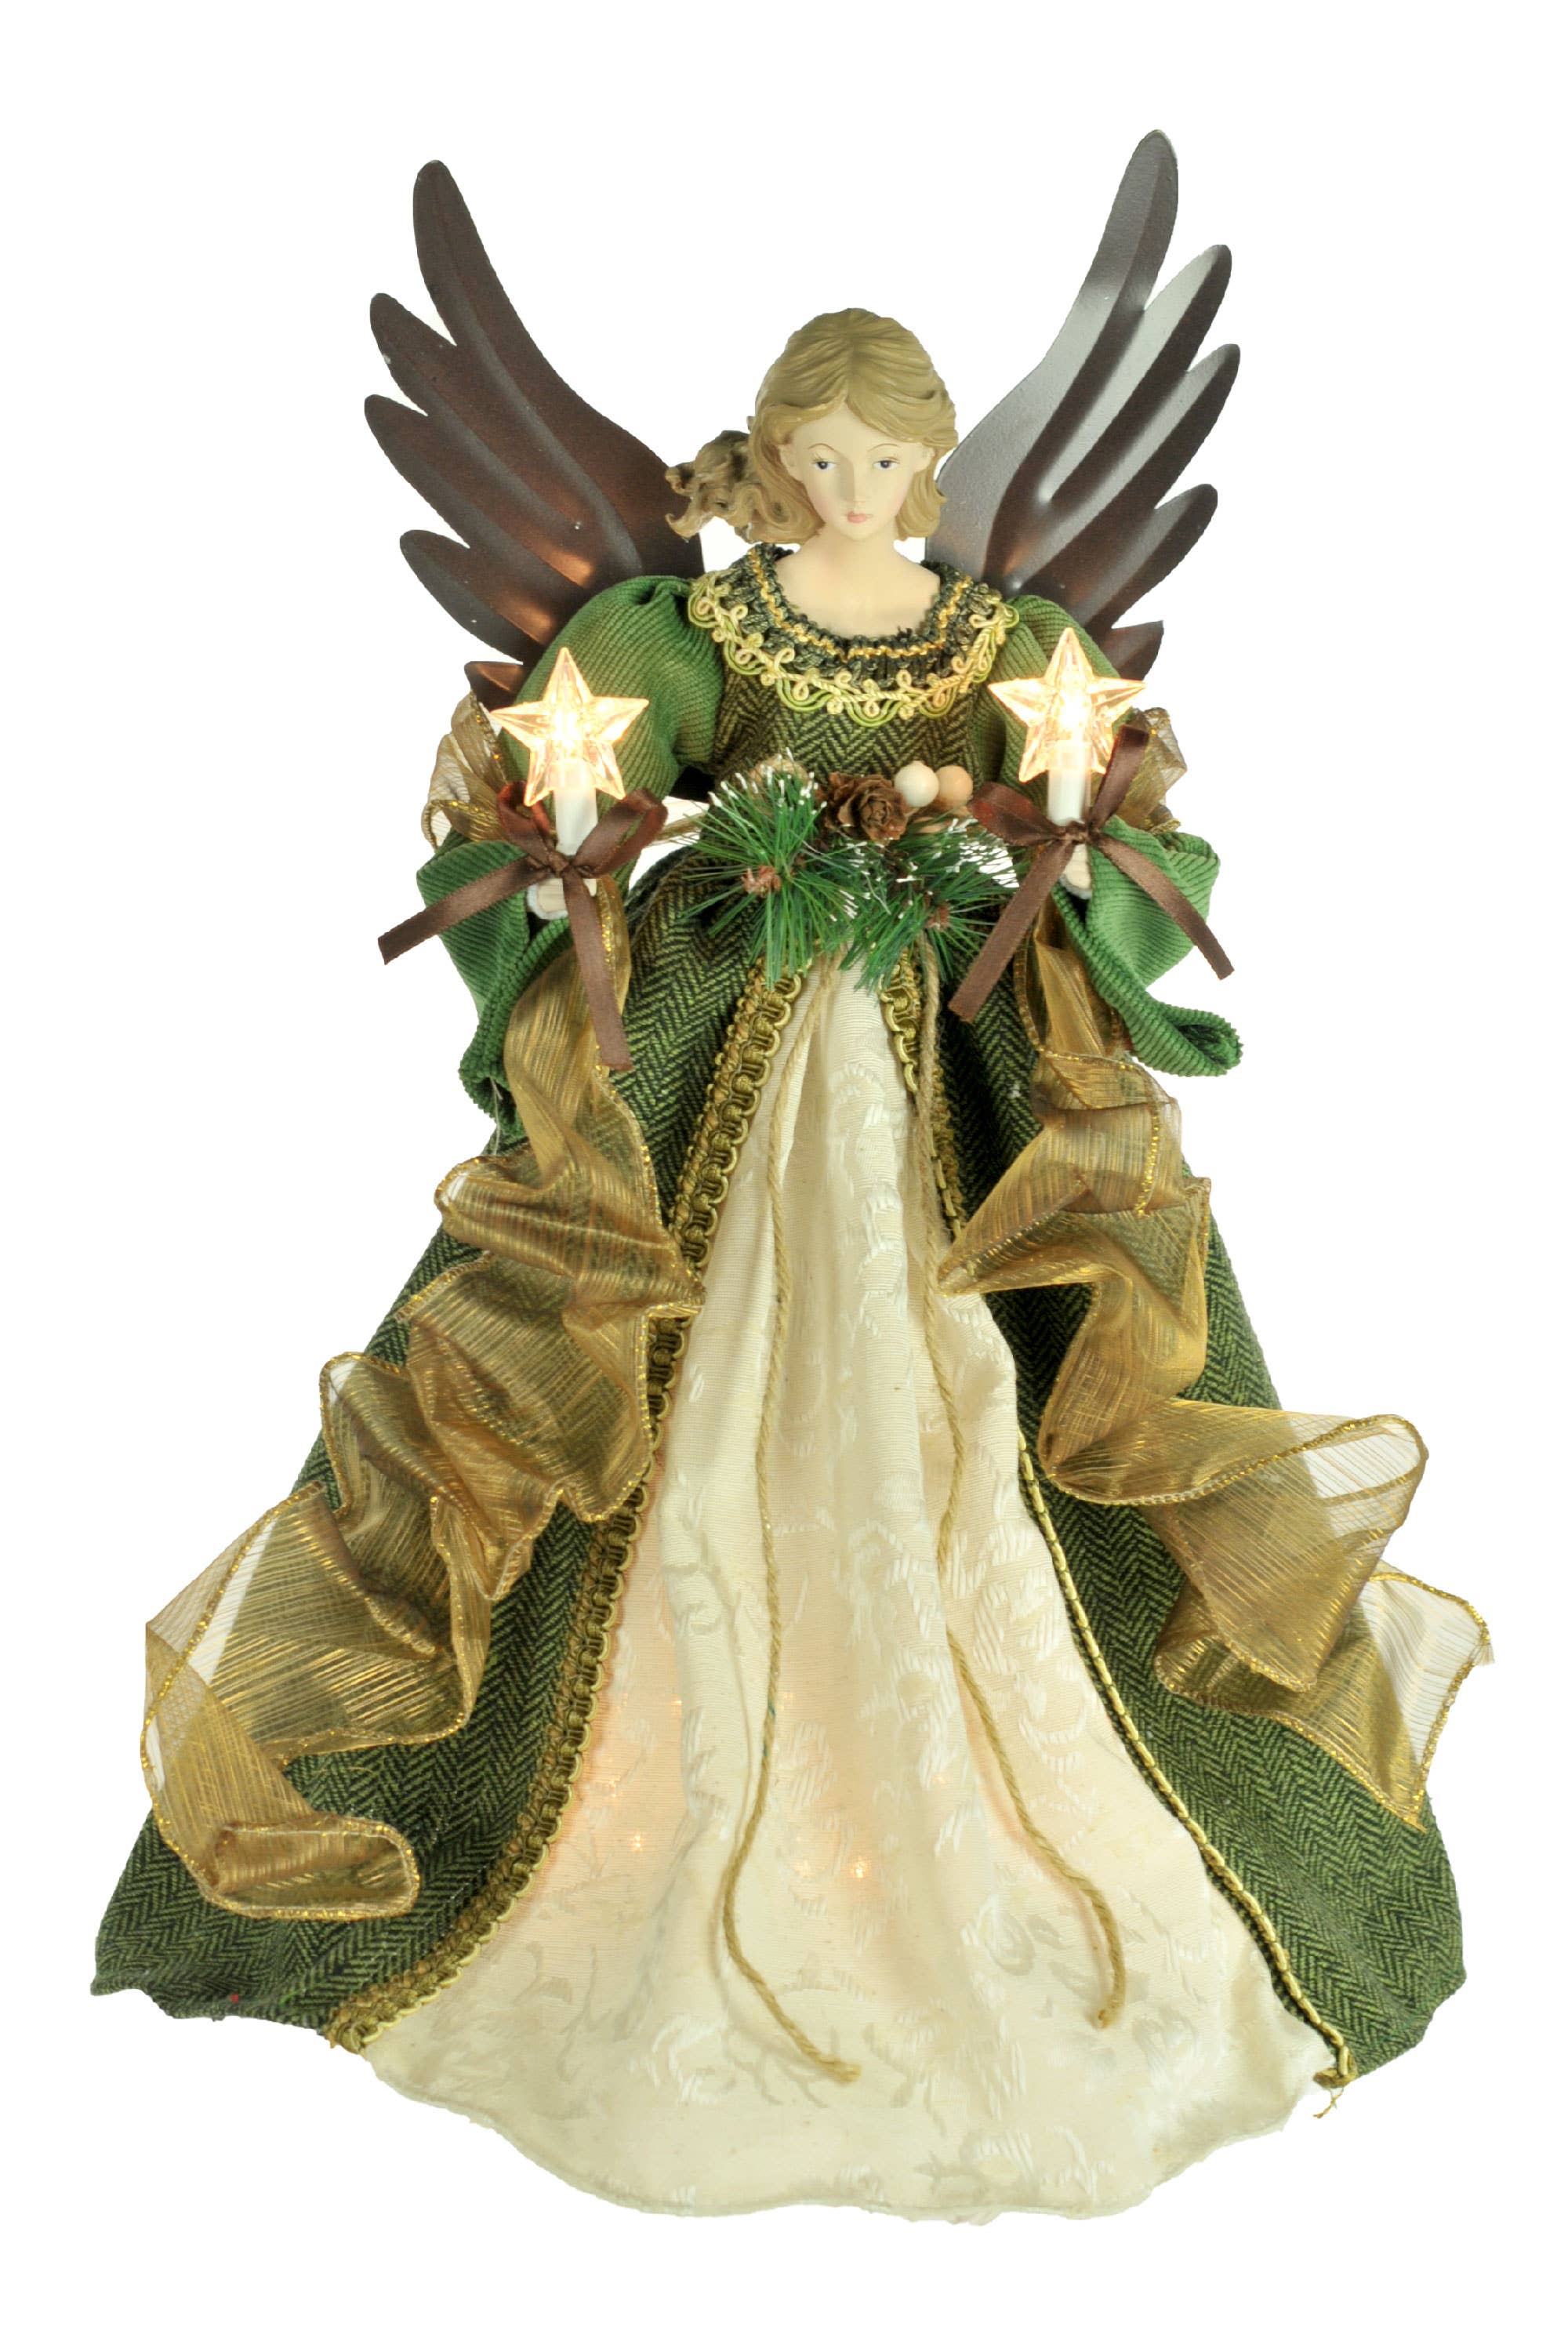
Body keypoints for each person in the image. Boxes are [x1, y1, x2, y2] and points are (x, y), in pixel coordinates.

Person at [95, 155, 1486, 2223]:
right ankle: (593, 1803)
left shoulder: (1004, 631)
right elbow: (574, 756)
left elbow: (1107, 790)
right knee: (613, 1372)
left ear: (931, 467)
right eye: (821, 458)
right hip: (722, 1022)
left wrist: (1057, 828)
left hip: (955, 1047)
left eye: (887, 463)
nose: (853, 492)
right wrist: (571, 832)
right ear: (773, 458)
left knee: (1002, 1383)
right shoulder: (696, 620)